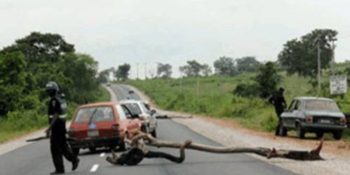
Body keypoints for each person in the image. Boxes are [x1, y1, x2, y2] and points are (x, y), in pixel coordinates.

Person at [45, 81, 79, 174]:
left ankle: (60, 169)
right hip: (62, 126)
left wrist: (49, 128)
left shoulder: (54, 100)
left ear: (54, 90)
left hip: (56, 127)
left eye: (50, 91)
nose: (48, 93)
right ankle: (74, 159)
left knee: (55, 149)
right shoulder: (62, 98)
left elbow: (55, 114)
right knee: (63, 146)